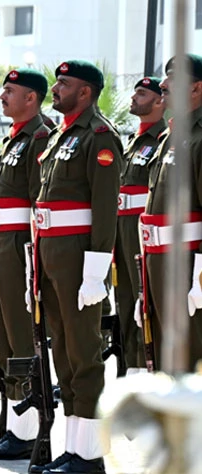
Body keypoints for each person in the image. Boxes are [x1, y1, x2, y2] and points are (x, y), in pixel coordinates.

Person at [28, 60, 121, 474]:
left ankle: (90, 455)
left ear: (85, 92)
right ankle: (75, 448)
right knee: (63, 354)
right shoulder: (61, 135)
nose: (56, 88)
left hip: (79, 259)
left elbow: (104, 209)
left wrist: (96, 271)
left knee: (84, 354)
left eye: (63, 84)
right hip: (51, 256)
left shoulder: (98, 136)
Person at [0, 69, 51, 460]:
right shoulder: (14, 139)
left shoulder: (40, 137)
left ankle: (26, 432)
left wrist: (34, 262)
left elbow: (39, 203)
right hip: (0, 248)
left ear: (31, 99)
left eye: (10, 91)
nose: (2, 96)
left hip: (20, 249)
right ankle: (12, 423)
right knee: (5, 340)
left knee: (22, 340)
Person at [139, 55, 202, 373]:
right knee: (167, 360)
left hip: (188, 267)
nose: (163, 85)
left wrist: (201, 277)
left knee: (191, 357)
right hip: (160, 262)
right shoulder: (170, 136)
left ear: (196, 88)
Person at [115, 77, 166, 374]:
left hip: (142, 234)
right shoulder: (135, 140)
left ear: (160, 101)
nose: (134, 97)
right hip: (123, 232)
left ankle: (140, 367)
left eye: (142, 93)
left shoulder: (161, 139)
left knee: (140, 301)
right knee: (125, 302)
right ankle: (129, 367)